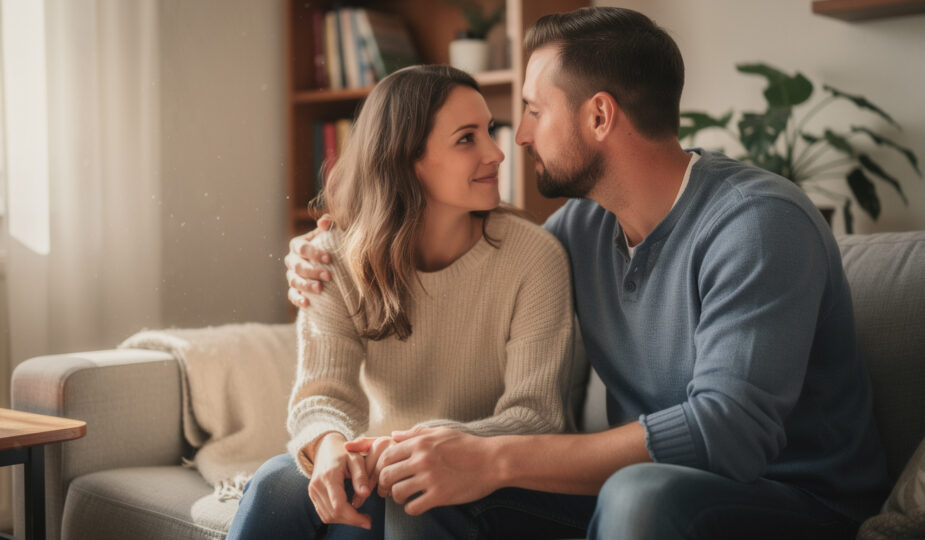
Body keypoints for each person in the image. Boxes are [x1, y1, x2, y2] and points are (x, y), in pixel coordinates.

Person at [285, 6, 890, 540]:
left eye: (532, 110)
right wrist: (337, 249)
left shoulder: (757, 224)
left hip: (796, 501)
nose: (517, 137)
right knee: (428, 485)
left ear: (599, 116)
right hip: (641, 493)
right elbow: (481, 266)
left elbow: (728, 435)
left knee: (635, 492)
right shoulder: (581, 231)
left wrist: (495, 460)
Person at [228, 65, 579, 540]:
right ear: (406, 159)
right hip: (377, 464)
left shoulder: (534, 258)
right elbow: (322, 395)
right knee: (274, 485)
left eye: (489, 132)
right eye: (466, 139)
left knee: (390, 504)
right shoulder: (329, 257)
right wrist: (329, 444)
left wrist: (415, 446)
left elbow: (537, 415)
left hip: (481, 476)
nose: (497, 152)